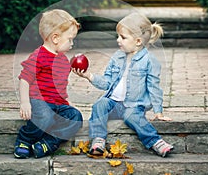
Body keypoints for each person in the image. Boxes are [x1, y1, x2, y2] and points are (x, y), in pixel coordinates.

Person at [73, 12, 174, 157]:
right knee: (100, 104)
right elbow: (107, 82)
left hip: (133, 106)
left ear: (138, 41)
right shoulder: (117, 57)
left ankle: (156, 142)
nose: (118, 40)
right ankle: (98, 139)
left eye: (123, 37)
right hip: (113, 103)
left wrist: (158, 112)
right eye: (118, 36)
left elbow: (154, 88)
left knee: (132, 116)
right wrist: (89, 76)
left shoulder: (150, 61)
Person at [14, 9, 83, 159]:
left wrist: (68, 103)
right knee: (45, 116)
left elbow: (59, 87)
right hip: (40, 101)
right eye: (70, 39)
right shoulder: (39, 56)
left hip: (57, 103)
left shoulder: (63, 60)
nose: (72, 43)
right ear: (55, 38)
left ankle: (49, 143)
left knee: (76, 117)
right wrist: (25, 103)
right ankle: (24, 140)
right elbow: (24, 79)